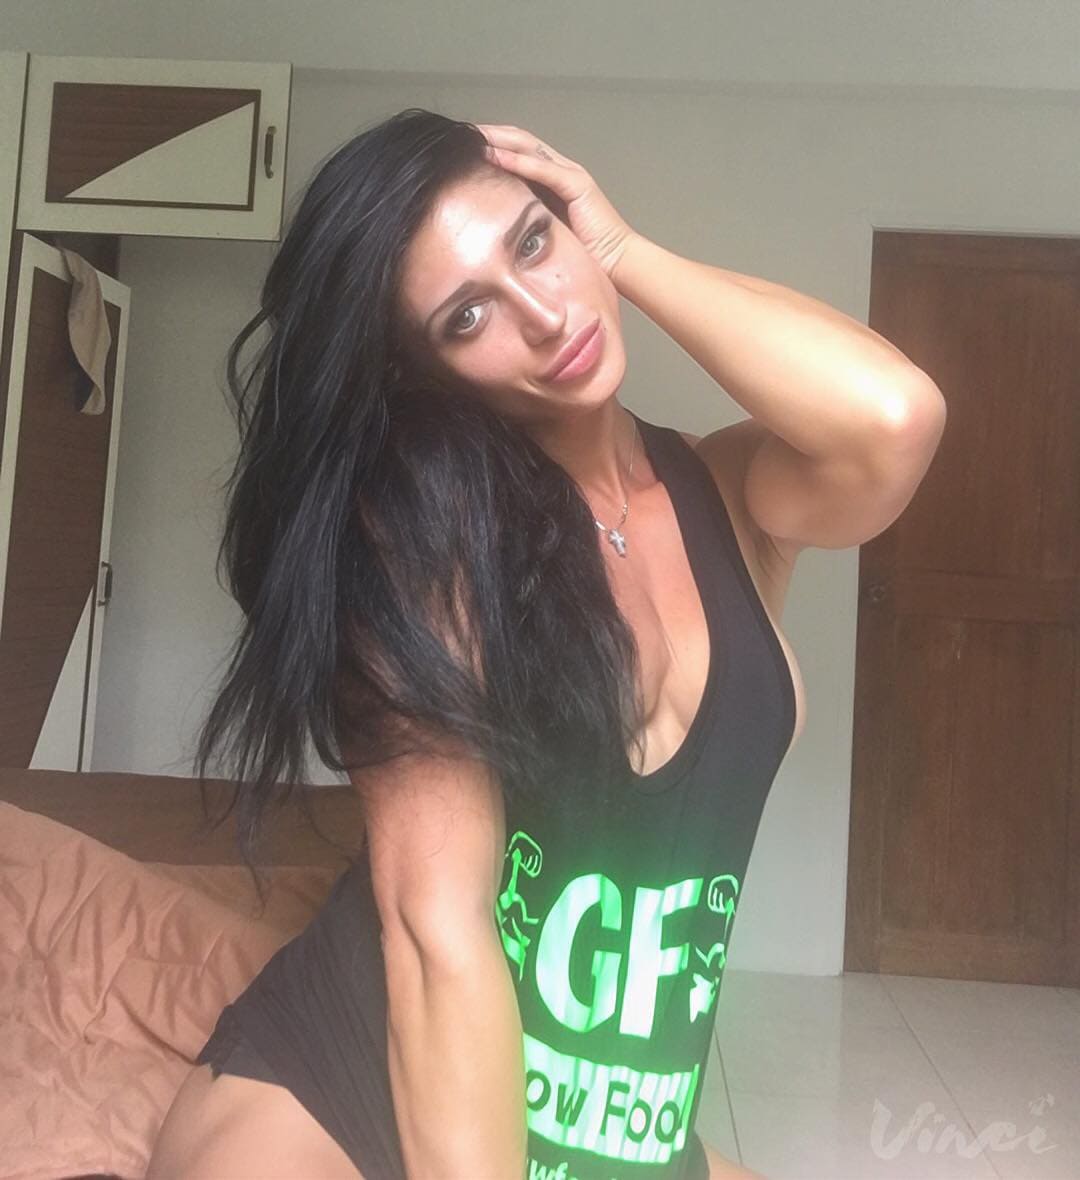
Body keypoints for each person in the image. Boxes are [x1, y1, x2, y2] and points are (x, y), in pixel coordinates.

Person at [146, 110, 945, 1179]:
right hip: (358, 1101)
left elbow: (893, 417)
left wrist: (626, 250)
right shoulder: (427, 543)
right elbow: (434, 933)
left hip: (609, 1125)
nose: (543, 312)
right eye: (467, 314)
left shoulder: (728, 496)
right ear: (425, 372)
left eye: (534, 241)